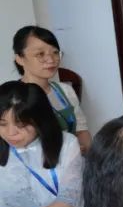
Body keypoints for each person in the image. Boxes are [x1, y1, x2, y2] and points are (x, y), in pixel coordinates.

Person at [0, 81, 82, 207]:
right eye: (2, 124)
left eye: (21, 125)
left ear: (40, 120)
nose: (11, 133)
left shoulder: (67, 144)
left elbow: (69, 200)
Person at [13, 25, 91, 153]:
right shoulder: (11, 97)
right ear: (20, 59)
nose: (51, 60)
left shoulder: (65, 90)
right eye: (40, 54)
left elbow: (81, 131)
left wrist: (85, 152)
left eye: (55, 52)